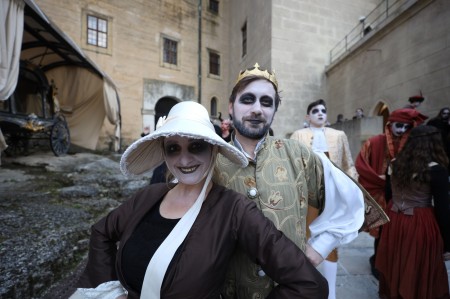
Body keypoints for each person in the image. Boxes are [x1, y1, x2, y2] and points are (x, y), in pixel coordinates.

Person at [71, 101, 328, 299]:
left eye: (196, 147)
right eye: (174, 148)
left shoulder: (234, 209)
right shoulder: (149, 196)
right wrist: (106, 288)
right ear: (164, 152)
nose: (184, 160)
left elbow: (308, 283)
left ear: (213, 149)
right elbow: (102, 231)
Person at [215, 63, 365, 298]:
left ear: (275, 110)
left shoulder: (300, 154)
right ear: (231, 107)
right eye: (248, 100)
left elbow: (350, 200)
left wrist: (321, 246)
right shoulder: (211, 160)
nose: (257, 109)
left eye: (266, 102)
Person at [290, 98, 358, 299]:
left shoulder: (339, 135)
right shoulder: (298, 135)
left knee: (331, 239)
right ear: (307, 116)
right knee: (304, 237)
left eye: (323, 110)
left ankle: (331, 293)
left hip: (333, 195)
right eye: (315, 110)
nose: (320, 113)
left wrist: (351, 186)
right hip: (307, 195)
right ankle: (302, 285)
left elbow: (348, 164)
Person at [375, 125, 450, 299]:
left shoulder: (394, 163)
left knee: (396, 260)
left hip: (394, 219)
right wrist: (447, 243)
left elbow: (388, 195)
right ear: (434, 143)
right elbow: (443, 209)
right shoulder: (436, 170)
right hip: (419, 222)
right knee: (417, 264)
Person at [355, 108, 428, 278]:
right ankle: (376, 262)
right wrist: (380, 180)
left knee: (396, 232)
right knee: (380, 231)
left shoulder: (411, 143)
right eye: (399, 126)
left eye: (405, 126)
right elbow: (362, 165)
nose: (402, 130)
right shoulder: (374, 142)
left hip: (403, 196)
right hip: (380, 194)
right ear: (390, 124)